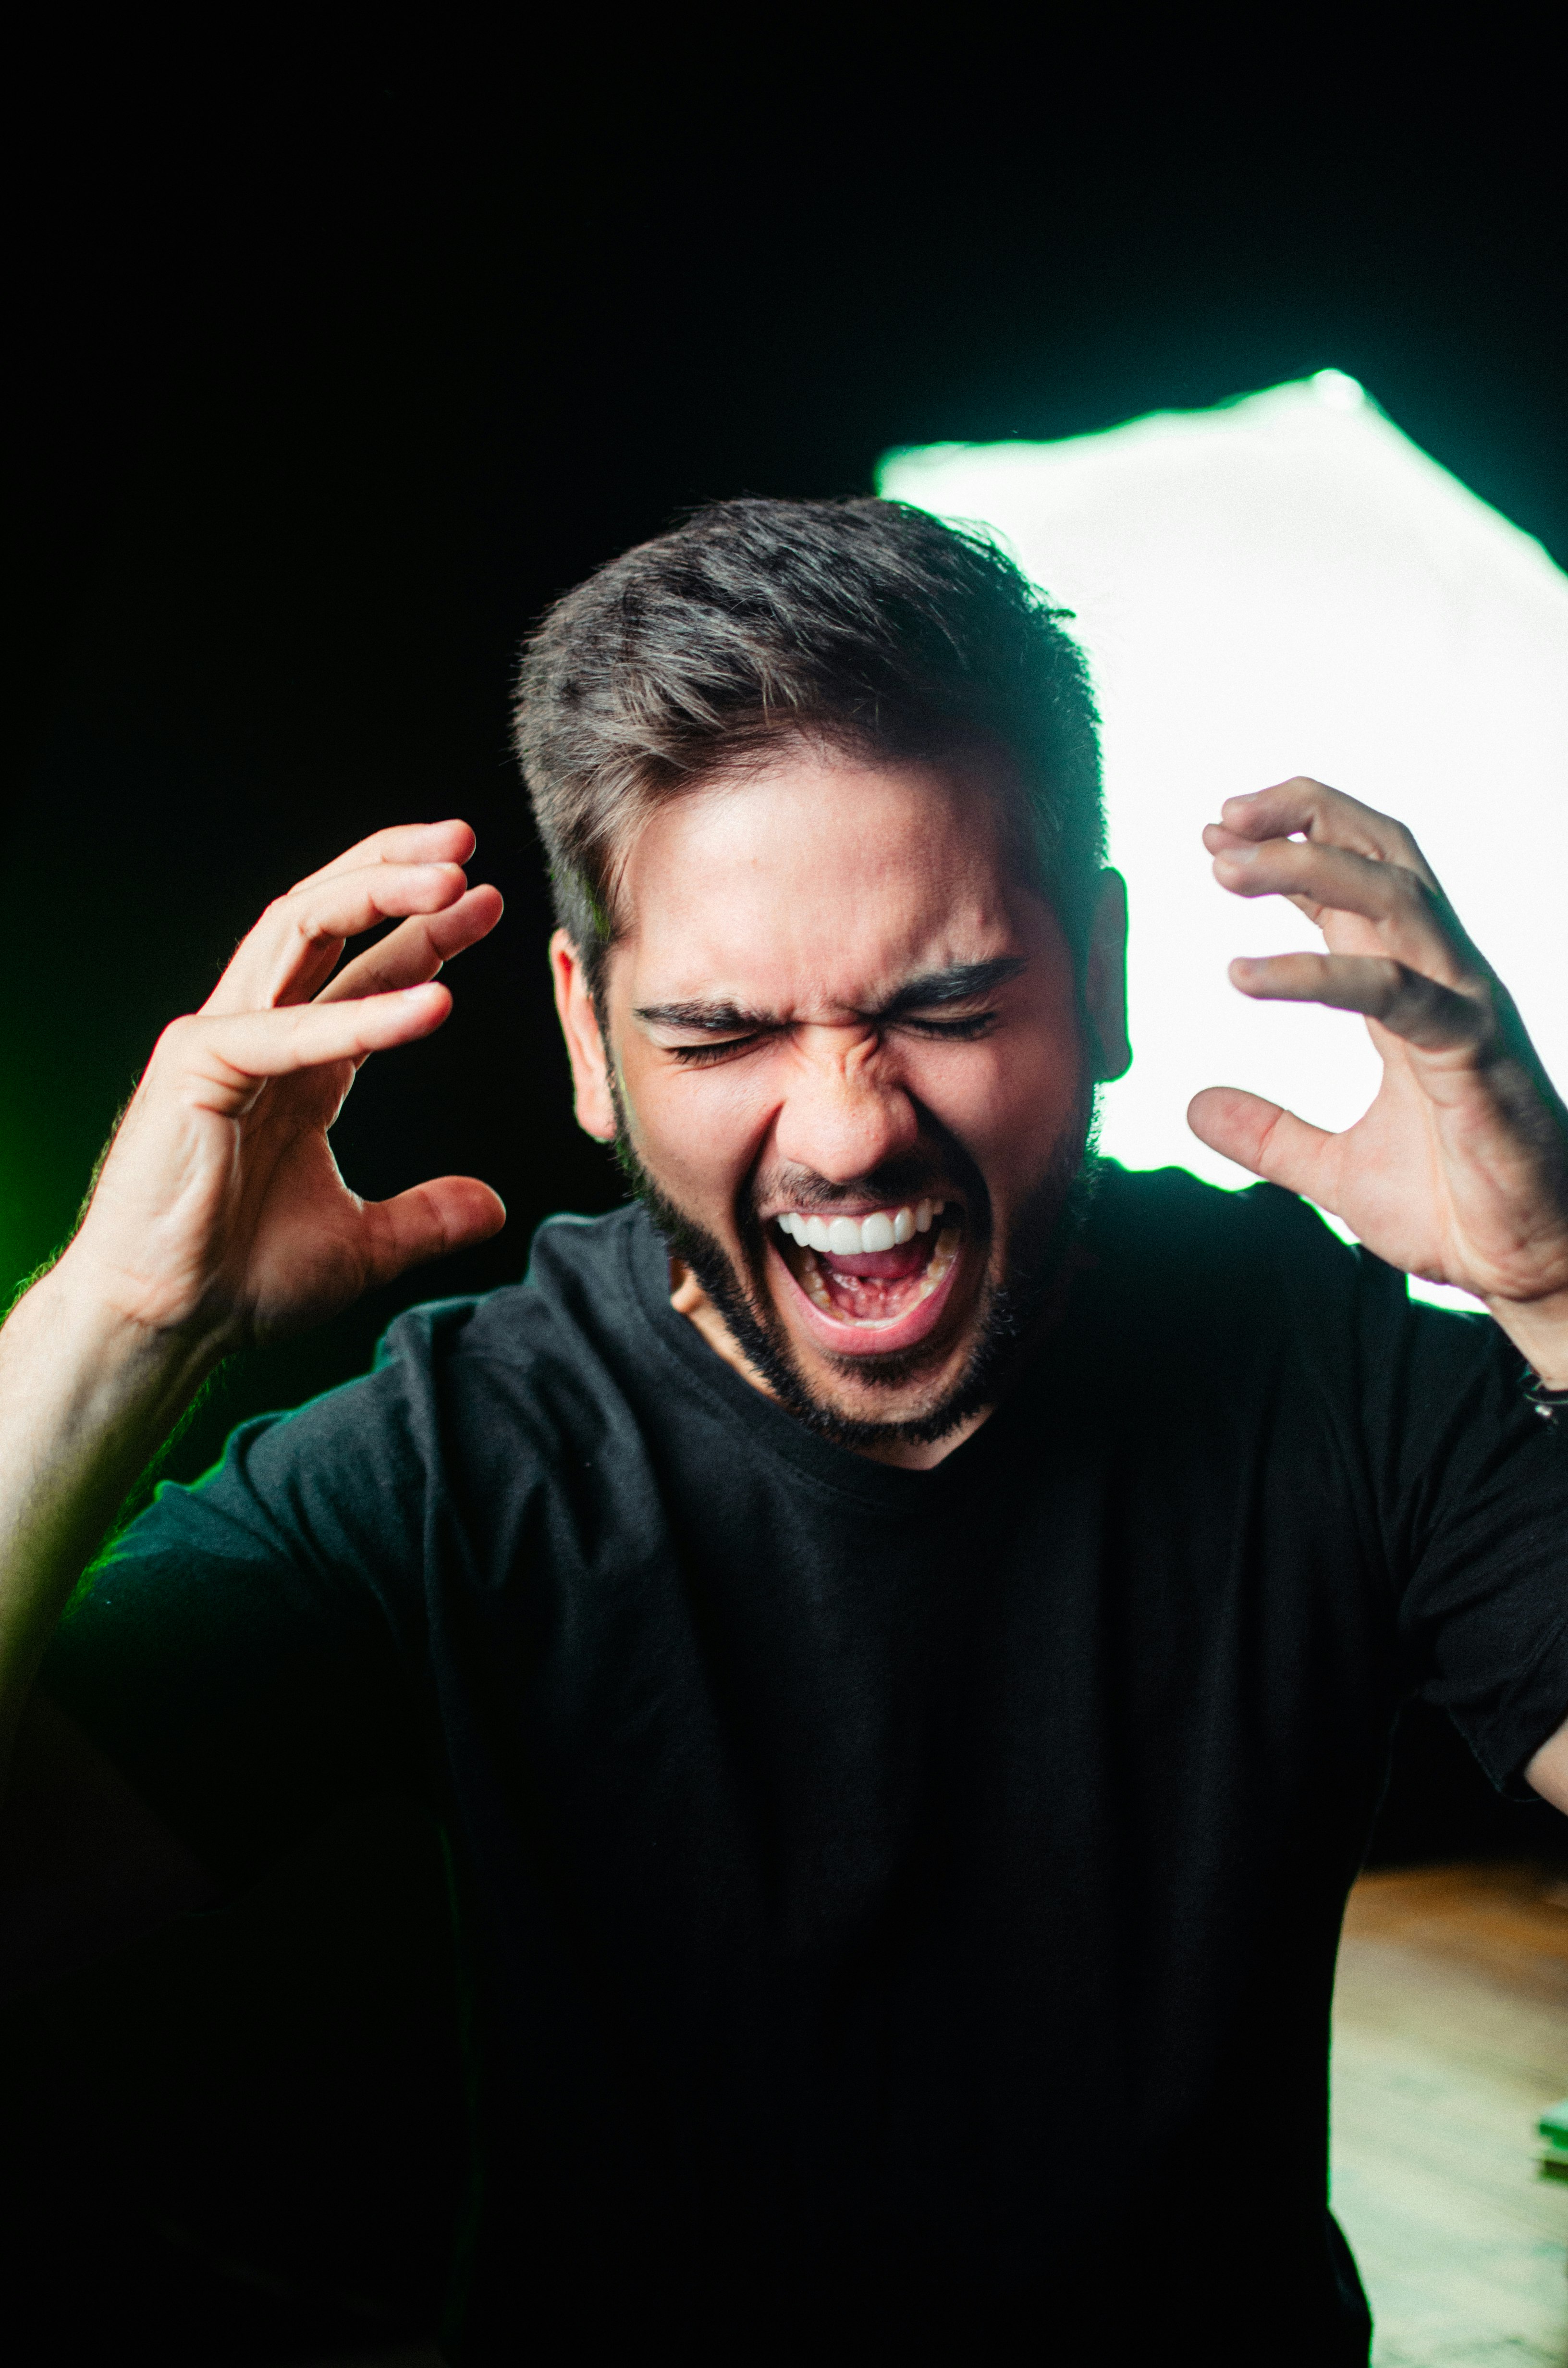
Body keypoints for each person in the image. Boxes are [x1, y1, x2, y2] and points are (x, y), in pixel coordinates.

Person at [2, 498, 1567, 2365]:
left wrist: (1555, 1282)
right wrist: (119, 1322)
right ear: (587, 1039)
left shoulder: (1320, 1362)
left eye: (951, 1001)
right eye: (723, 1030)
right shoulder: (463, 1449)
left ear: (1104, 974)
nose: (845, 1131)